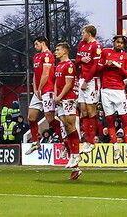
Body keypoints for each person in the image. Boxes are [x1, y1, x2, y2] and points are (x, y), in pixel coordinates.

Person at [99, 35, 127, 160]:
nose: (119, 44)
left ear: (124, 45)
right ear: (113, 42)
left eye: (121, 43)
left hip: (119, 90)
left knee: (124, 118)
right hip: (105, 90)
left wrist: (120, 67)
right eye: (117, 42)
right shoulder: (105, 52)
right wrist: (106, 65)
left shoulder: (126, 57)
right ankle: (115, 148)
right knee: (109, 119)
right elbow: (98, 68)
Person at [25, 36, 60, 155]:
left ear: (43, 43)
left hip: (48, 90)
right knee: (31, 117)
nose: (35, 47)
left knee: (50, 118)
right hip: (38, 92)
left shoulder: (48, 55)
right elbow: (36, 75)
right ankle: (36, 142)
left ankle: (64, 138)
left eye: (36, 44)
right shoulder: (36, 57)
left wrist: (40, 88)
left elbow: (46, 74)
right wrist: (35, 89)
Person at [54, 42, 82, 180]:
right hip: (60, 100)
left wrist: (59, 96)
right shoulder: (58, 65)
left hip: (68, 99)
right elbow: (56, 83)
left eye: (58, 50)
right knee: (65, 128)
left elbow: (68, 84)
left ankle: (75, 155)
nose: (55, 52)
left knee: (70, 127)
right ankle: (74, 165)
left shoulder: (70, 65)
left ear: (65, 51)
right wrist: (55, 95)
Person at [76, 24, 103, 154]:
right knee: (84, 110)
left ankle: (92, 140)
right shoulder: (82, 44)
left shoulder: (96, 46)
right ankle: (86, 140)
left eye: (83, 32)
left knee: (91, 109)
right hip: (82, 79)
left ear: (89, 33)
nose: (82, 34)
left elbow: (96, 66)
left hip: (92, 80)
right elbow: (76, 60)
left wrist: (87, 81)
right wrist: (81, 59)